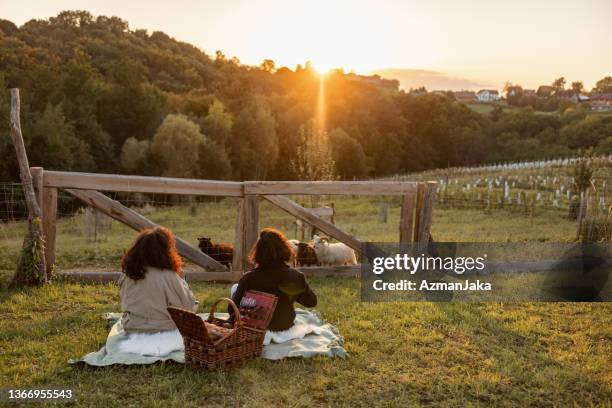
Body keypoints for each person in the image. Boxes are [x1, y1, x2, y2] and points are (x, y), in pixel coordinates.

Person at [230, 228, 317, 331]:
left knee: (235, 288)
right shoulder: (295, 276)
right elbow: (311, 302)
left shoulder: (248, 278)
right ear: (285, 248)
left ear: (257, 252)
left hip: (255, 327)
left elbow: (232, 310)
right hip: (283, 325)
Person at [119, 227, 198, 333]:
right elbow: (188, 308)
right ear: (166, 250)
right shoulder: (169, 276)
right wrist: (183, 282)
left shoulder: (127, 274)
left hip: (131, 327)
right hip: (162, 330)